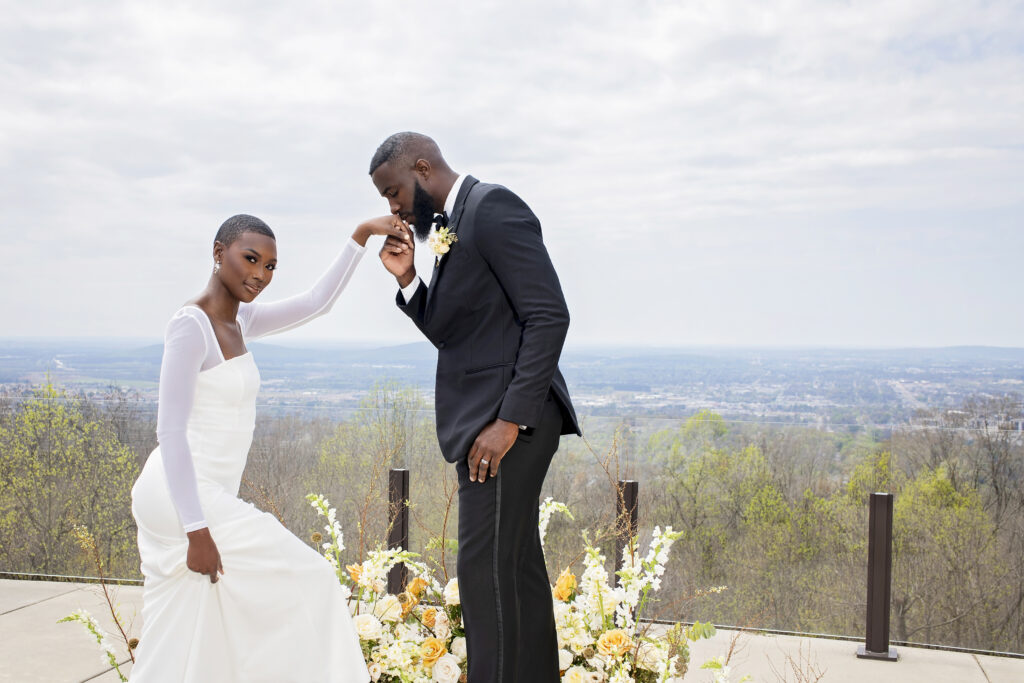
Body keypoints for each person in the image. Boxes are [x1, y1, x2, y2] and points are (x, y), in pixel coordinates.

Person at [129, 213, 410, 682]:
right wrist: (197, 530)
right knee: (312, 579)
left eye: (271, 266)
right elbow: (171, 433)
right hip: (181, 498)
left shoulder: (241, 321)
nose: (260, 274)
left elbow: (317, 303)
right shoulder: (190, 326)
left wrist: (361, 236)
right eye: (251, 259)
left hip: (207, 498)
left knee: (190, 629)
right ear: (219, 253)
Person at [370, 132, 581, 683]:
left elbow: (549, 315)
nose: (391, 207)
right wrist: (410, 279)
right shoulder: (449, 224)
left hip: (509, 424)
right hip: (495, 419)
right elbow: (456, 334)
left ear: (422, 166)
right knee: (513, 569)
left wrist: (510, 420)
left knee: (482, 572)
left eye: (393, 191)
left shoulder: (491, 207)